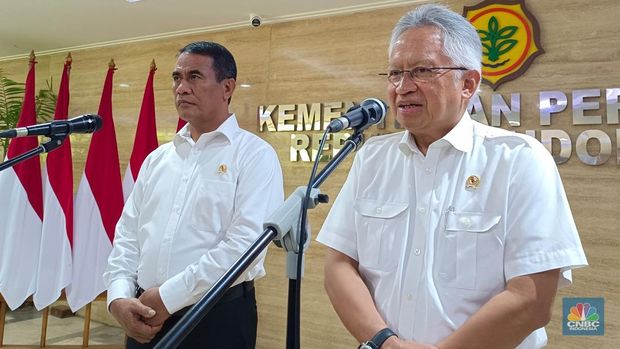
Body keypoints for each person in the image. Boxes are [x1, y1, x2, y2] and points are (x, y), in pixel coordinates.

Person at [316, 4, 587, 349]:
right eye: (395, 73)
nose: (403, 87)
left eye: (422, 71)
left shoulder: (519, 160)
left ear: (468, 83)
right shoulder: (372, 157)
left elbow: (532, 298)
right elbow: (339, 264)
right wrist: (385, 342)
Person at [104, 41, 284, 349]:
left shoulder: (255, 155)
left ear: (227, 86)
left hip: (217, 316)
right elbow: (128, 234)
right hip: (143, 316)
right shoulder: (157, 159)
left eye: (195, 77)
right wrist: (119, 295)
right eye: (176, 77)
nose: (182, 88)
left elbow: (245, 245)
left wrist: (168, 296)